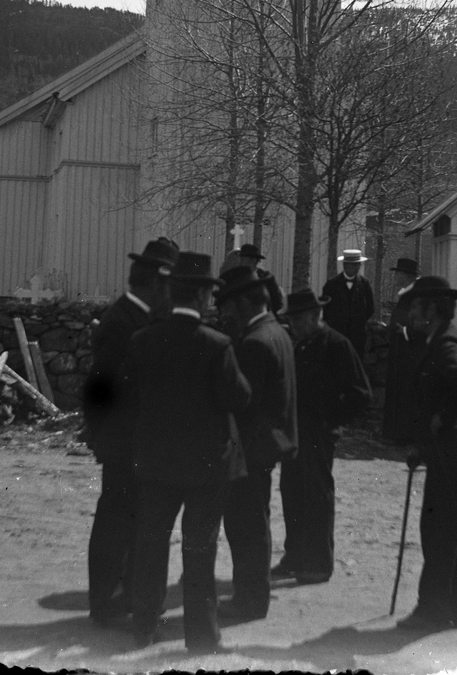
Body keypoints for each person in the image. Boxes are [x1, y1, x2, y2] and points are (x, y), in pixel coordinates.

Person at [122, 251, 252, 653]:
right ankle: (200, 635)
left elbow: (129, 398)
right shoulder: (217, 345)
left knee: (151, 542)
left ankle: (143, 626)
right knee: (200, 547)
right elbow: (240, 397)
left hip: (157, 461)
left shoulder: (143, 340)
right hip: (206, 465)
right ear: (199, 296)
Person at [81, 237, 178, 626]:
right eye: (169, 287)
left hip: (133, 441)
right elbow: (99, 387)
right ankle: (105, 603)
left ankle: (124, 596)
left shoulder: (136, 319)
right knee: (116, 522)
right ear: (156, 283)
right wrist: (101, 434)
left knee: (131, 521)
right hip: (124, 442)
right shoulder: (122, 323)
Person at [396, 276, 457, 635]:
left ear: (431, 309)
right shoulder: (442, 337)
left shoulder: (447, 343)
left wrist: (442, 418)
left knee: (438, 532)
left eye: (416, 307)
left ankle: (433, 609)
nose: (412, 314)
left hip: (453, 453)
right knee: (453, 531)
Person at [214, 265, 298, 622]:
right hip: (267, 444)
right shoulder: (274, 331)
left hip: (251, 447)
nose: (224, 312)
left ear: (246, 303)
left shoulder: (254, 342)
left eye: (229, 304)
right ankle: (252, 595)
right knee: (254, 522)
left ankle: (249, 600)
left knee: (245, 525)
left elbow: (242, 401)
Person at [274, 287, 372, 584]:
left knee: (316, 497)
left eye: (299, 319)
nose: (293, 325)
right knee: (292, 493)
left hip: (317, 434)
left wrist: (333, 421)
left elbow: (360, 394)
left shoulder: (336, 345)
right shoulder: (299, 344)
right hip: (296, 434)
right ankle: (295, 557)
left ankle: (317, 564)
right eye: (290, 319)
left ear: (317, 316)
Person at [381, 258, 421, 442]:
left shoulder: (414, 295)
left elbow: (418, 322)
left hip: (408, 349)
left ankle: (402, 433)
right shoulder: (406, 293)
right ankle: (394, 431)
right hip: (400, 347)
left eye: (398, 273)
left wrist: (403, 330)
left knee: (405, 390)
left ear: (406, 275)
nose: (396, 276)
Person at [320, 249, 376, 357]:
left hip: (357, 337)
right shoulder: (331, 285)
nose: (356, 268)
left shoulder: (365, 284)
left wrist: (358, 322)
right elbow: (325, 311)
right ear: (345, 265)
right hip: (337, 335)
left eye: (357, 265)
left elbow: (370, 308)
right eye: (352, 265)